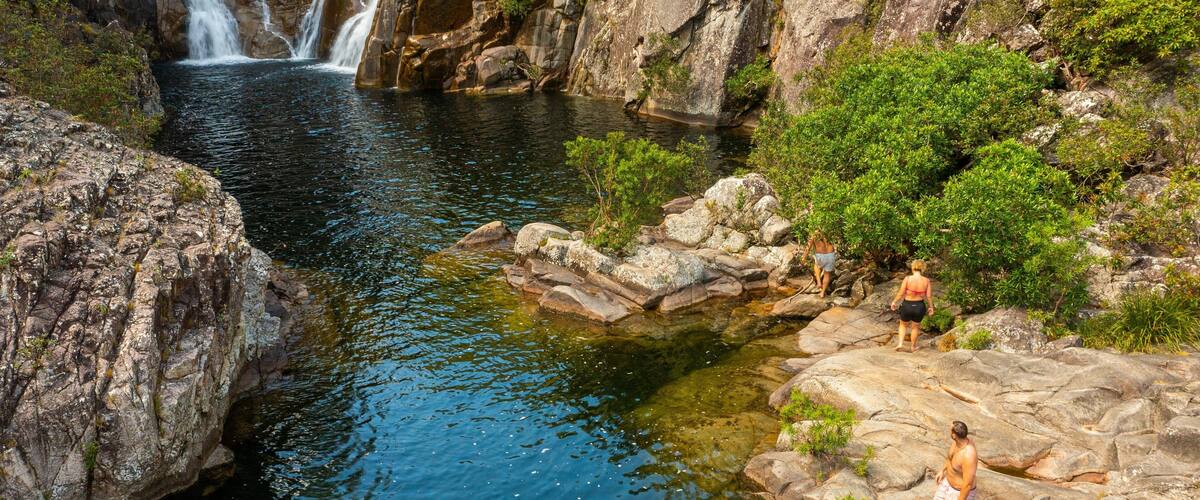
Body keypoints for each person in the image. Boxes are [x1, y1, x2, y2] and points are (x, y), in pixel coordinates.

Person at [890, 259, 933, 352]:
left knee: (903, 325)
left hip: (907, 305)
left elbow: (901, 293)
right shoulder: (926, 281)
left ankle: (900, 344)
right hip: (919, 306)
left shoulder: (908, 279)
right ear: (923, 268)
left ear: (913, 267)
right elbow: (929, 296)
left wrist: (894, 302)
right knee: (915, 327)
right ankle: (913, 347)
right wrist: (931, 308)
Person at [935, 421, 978, 500]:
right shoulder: (957, 442)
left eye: (950, 430)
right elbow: (950, 458)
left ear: (954, 435)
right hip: (946, 483)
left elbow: (967, 485)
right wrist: (942, 470)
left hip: (958, 492)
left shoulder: (968, 455)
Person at [799, 230, 837, 298]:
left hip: (821, 255)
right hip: (830, 255)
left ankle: (819, 282)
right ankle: (822, 292)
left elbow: (808, 247)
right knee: (827, 274)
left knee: (816, 266)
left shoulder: (814, 234)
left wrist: (804, 258)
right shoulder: (829, 231)